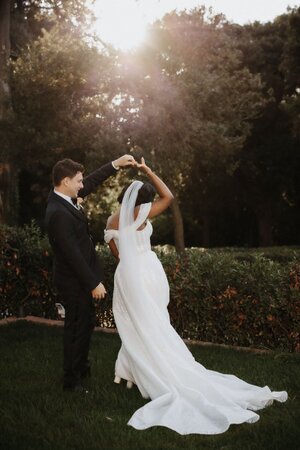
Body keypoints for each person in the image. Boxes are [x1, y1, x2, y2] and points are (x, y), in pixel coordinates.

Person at [104, 157, 288, 435]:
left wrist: (127, 260)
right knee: (155, 324)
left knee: (136, 324)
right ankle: (135, 371)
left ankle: (133, 372)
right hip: (149, 272)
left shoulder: (112, 219)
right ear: (143, 200)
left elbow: (116, 253)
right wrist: (149, 171)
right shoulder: (144, 214)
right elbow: (170, 195)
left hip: (128, 274)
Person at [45, 155, 135, 393]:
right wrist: (93, 283)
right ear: (65, 181)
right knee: (75, 329)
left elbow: (92, 181)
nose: (82, 186)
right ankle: (71, 380)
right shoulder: (58, 213)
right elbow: (71, 254)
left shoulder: (65, 198)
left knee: (85, 324)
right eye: (78, 181)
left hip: (80, 278)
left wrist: (115, 164)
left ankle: (81, 365)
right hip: (75, 281)